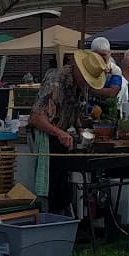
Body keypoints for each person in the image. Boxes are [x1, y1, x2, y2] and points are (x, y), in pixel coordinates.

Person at [28, 49, 106, 213]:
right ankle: (51, 220)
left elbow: (72, 109)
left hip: (59, 135)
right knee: (52, 185)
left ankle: (66, 220)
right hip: (45, 136)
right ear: (78, 70)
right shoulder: (55, 81)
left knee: (62, 185)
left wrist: (79, 129)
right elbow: (36, 117)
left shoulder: (78, 85)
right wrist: (59, 133)